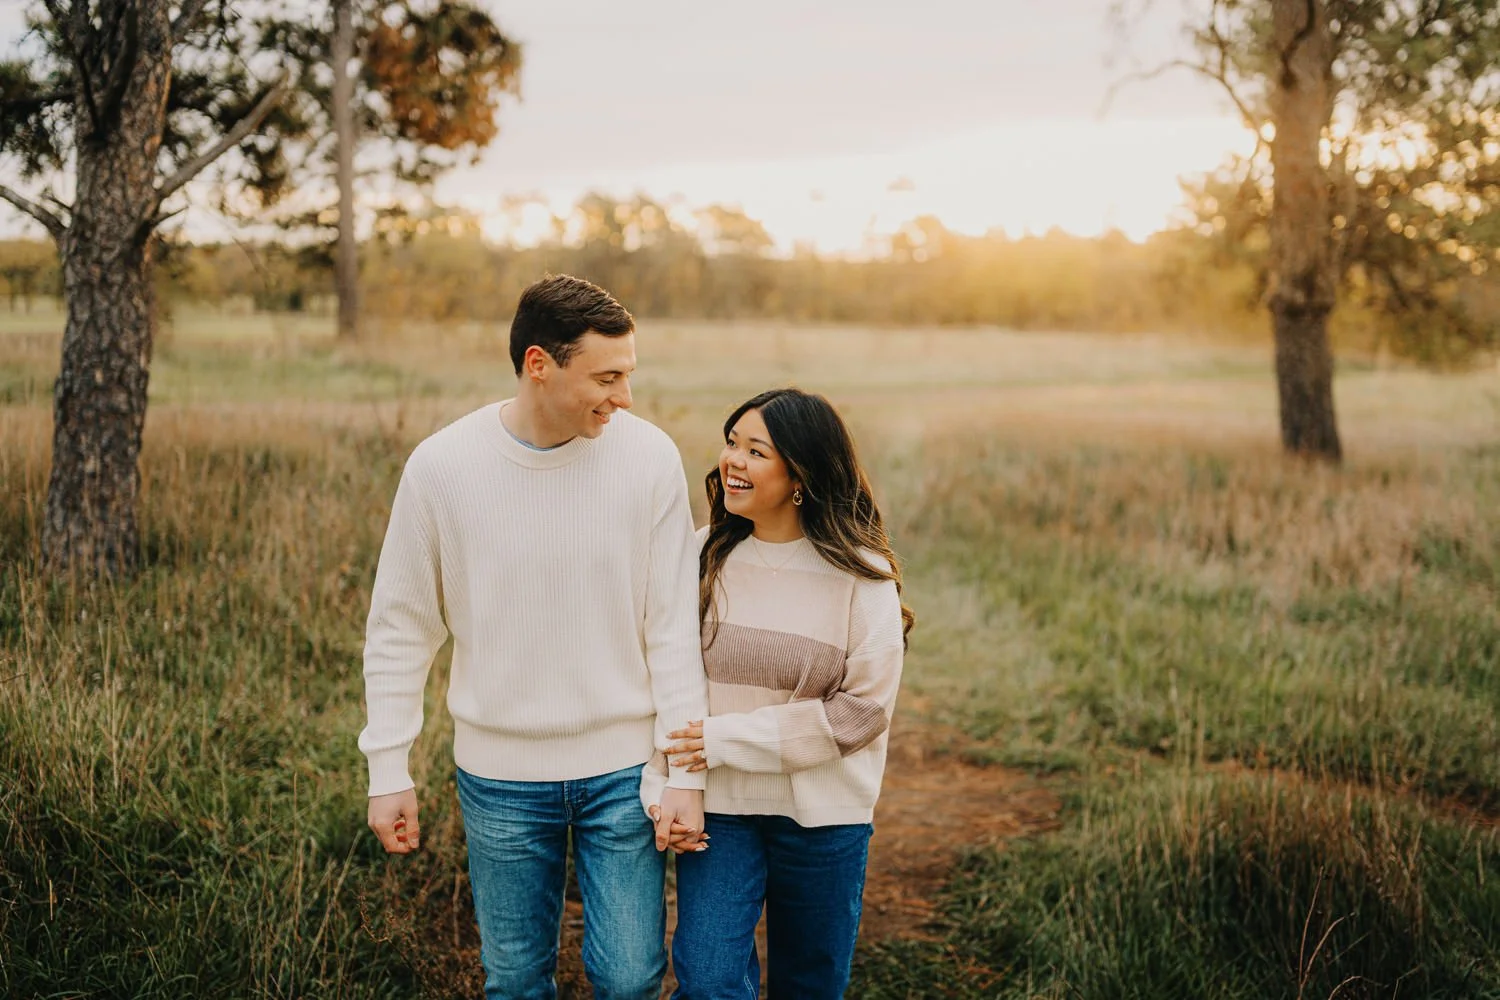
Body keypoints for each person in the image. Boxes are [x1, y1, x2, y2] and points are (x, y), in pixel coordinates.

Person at [359, 273, 709, 1000]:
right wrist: (388, 767)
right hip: (500, 780)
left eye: (629, 375)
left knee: (629, 979)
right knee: (515, 981)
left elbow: (673, 629)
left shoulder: (649, 460)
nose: (625, 398)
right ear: (539, 365)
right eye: (606, 377)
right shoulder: (442, 468)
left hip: (623, 771)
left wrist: (685, 772)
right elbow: (401, 629)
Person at [642, 387, 915, 999]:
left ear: (800, 474)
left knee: (809, 984)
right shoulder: (701, 552)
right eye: (731, 443)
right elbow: (666, 674)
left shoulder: (859, 575)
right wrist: (662, 782)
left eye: (756, 450)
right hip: (723, 810)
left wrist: (724, 740)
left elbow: (861, 713)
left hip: (825, 816)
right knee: (709, 981)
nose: (732, 460)